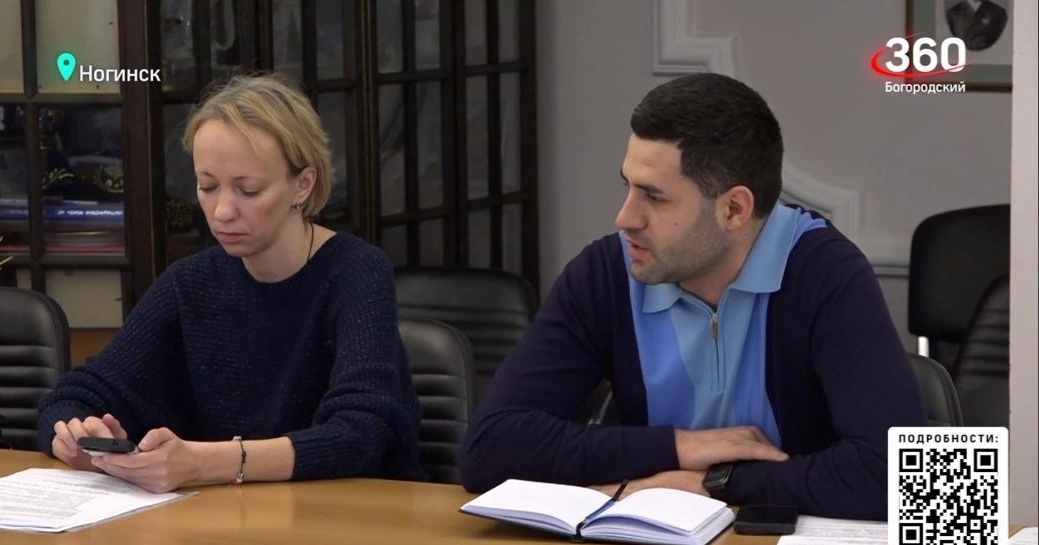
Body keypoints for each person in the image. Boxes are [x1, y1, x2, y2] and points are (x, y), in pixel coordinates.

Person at [459, 73, 927, 520]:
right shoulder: (604, 275)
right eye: (627, 186)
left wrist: (716, 483)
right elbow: (487, 450)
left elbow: (912, 480)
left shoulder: (824, 273)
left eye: (654, 197)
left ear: (734, 209)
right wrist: (680, 447)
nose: (625, 218)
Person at [38, 74, 424, 492]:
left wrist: (204, 462)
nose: (222, 211)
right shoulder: (191, 282)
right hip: (224, 517)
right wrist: (75, 434)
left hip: (349, 513)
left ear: (303, 184)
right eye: (207, 186)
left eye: (248, 190)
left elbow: (362, 433)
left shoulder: (356, 272)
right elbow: (77, 393)